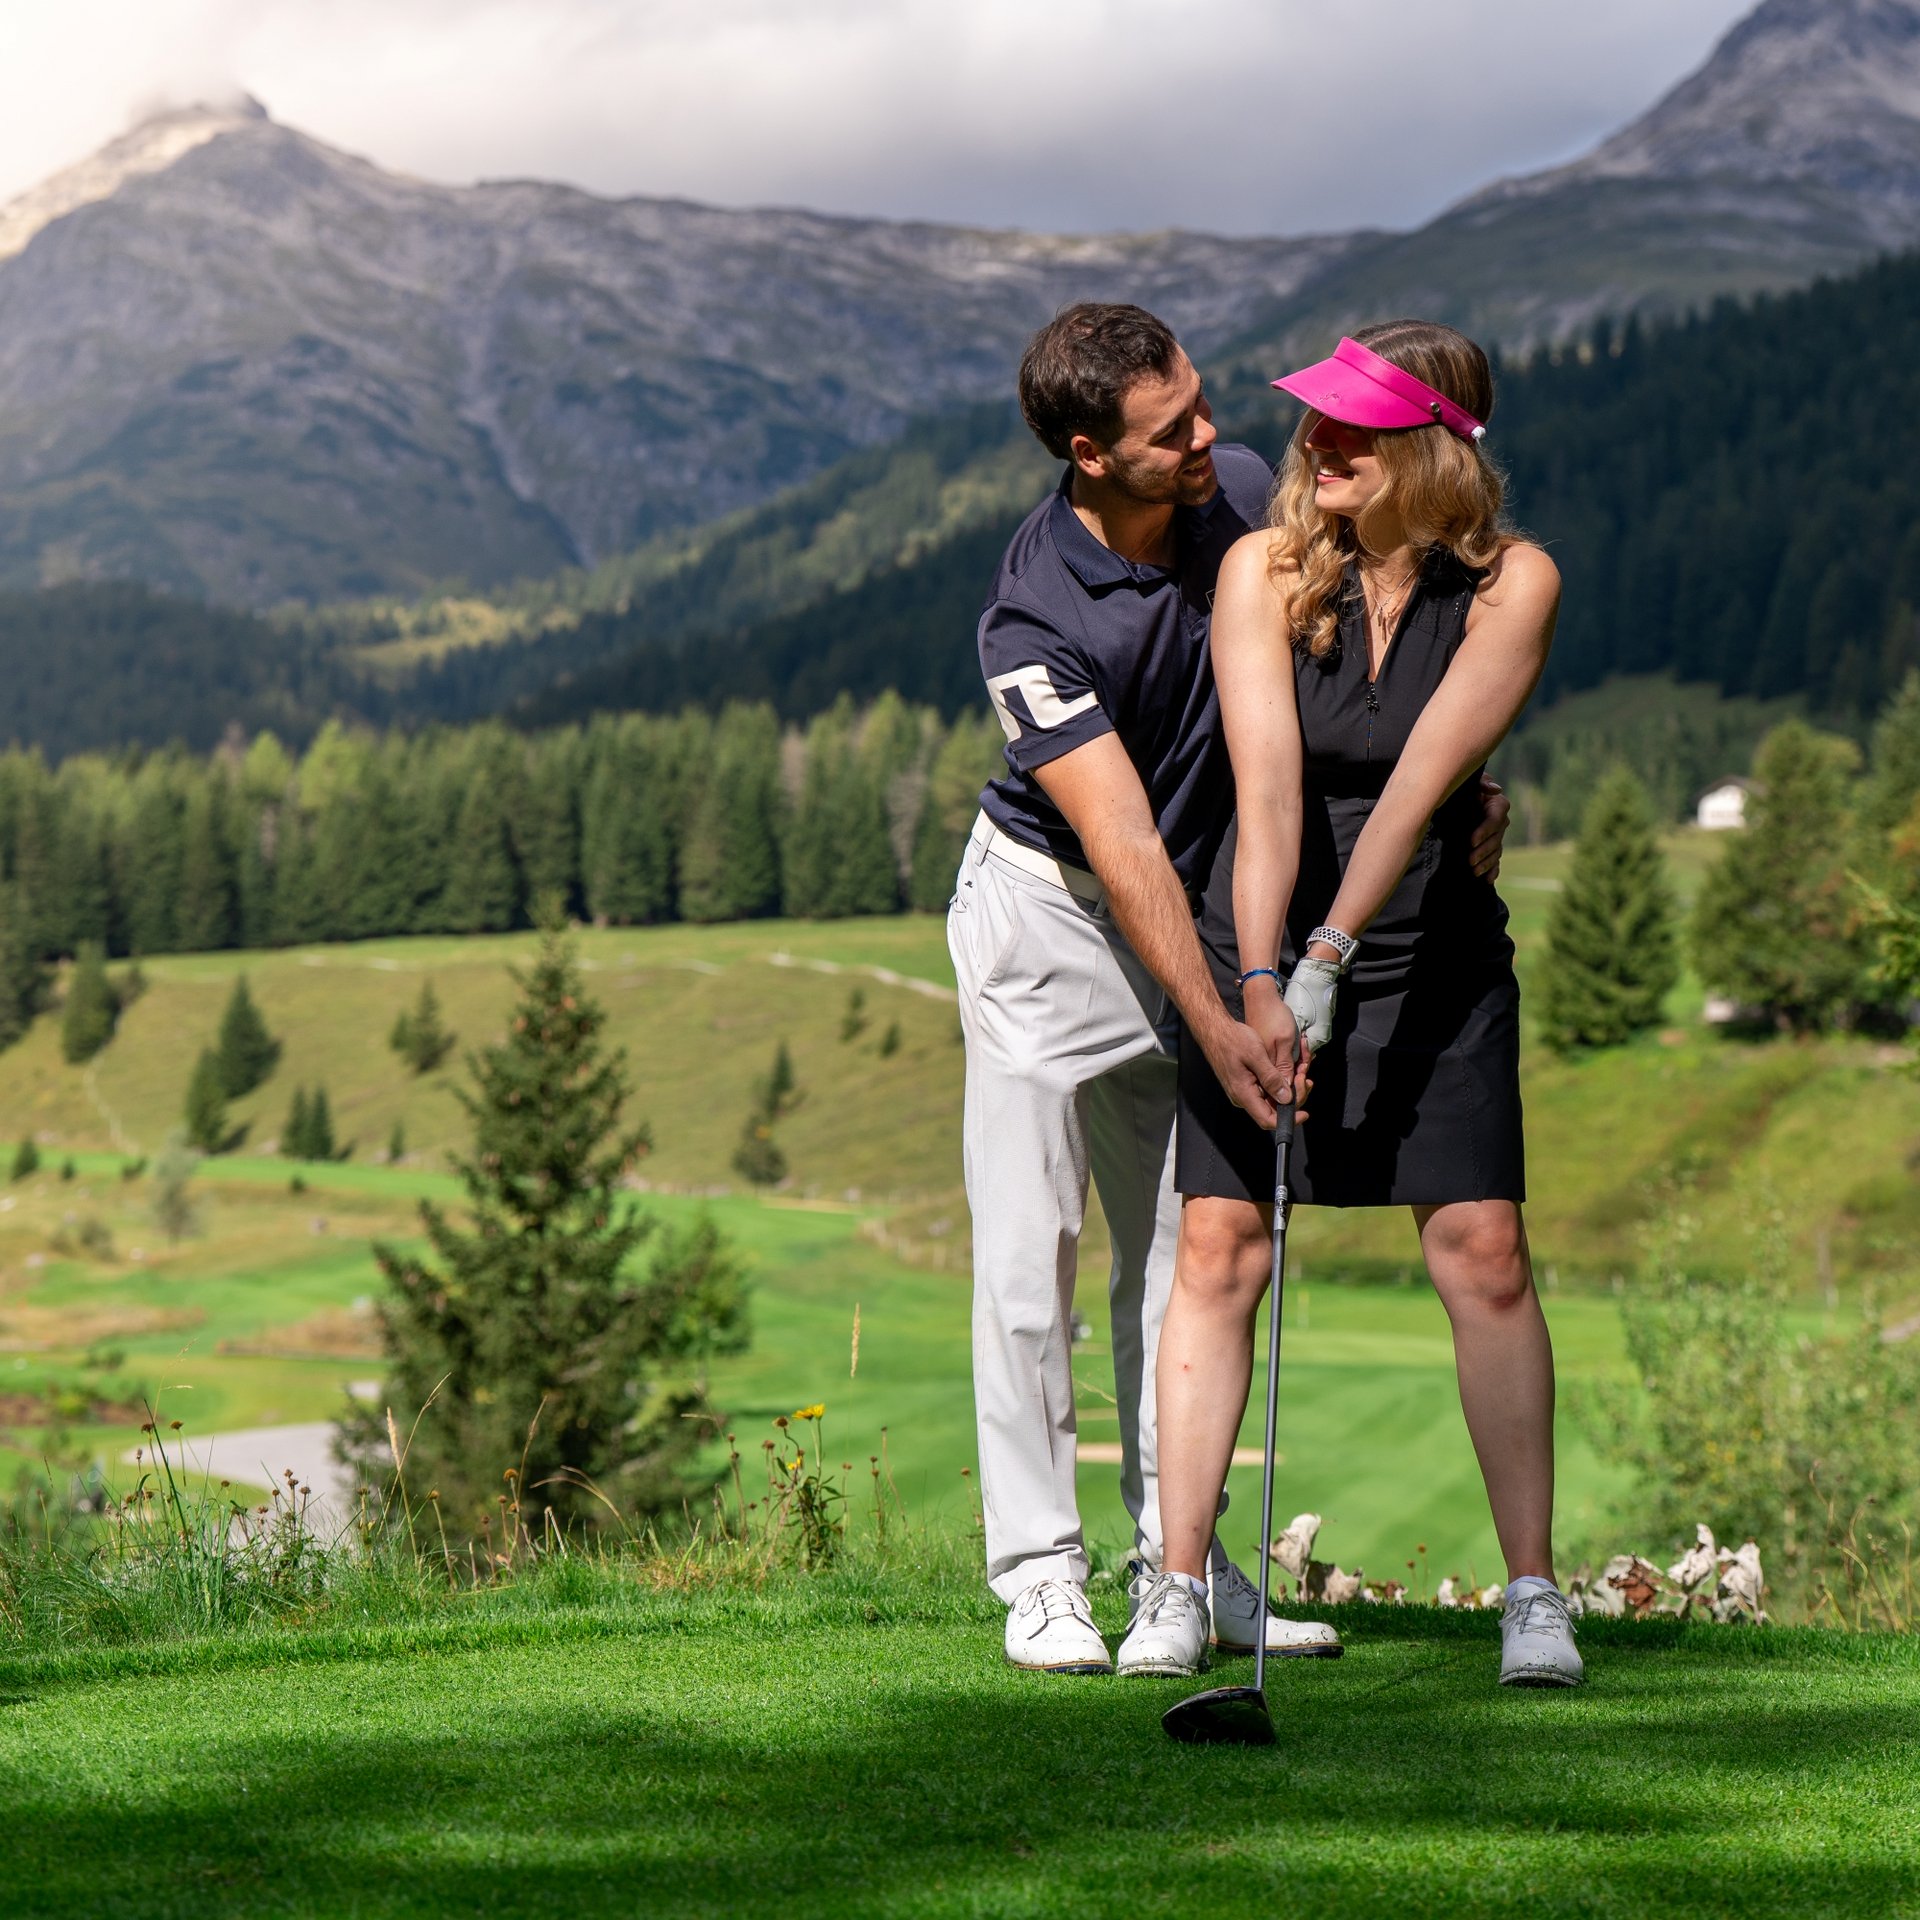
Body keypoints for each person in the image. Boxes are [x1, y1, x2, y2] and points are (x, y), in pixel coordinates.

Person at [951, 304, 1509, 1674]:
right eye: (1172, 431)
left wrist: (1458, 799)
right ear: (1087, 453)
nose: (1213, 439)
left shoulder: (1245, 496)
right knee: (1033, 1265)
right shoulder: (1031, 619)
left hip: (1207, 920)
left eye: (1201, 404)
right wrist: (1218, 1015)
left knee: (1185, 1253)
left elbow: (1356, 689)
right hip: (1055, 921)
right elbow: (1120, 840)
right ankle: (1038, 1576)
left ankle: (1177, 1573)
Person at [1117, 320, 1583, 1688]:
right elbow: (1267, 794)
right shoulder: (1264, 572)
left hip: (1425, 940)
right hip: (1255, 926)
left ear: (1435, 448)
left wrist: (1330, 956)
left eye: (1356, 429)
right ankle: (1178, 1584)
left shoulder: (1516, 588)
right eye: (1318, 422)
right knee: (1218, 1247)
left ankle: (1534, 1596)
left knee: (1483, 1250)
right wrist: (1260, 977)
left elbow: (1423, 785)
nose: (1318, 444)